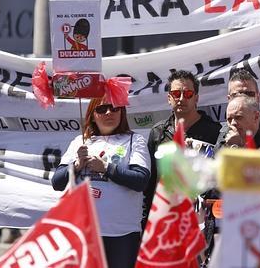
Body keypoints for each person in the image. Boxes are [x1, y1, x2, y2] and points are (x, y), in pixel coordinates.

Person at [52, 97, 151, 268]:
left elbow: (141, 181)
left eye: (114, 108)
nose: (108, 113)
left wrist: (106, 168)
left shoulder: (135, 140)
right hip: (84, 233)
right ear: (92, 115)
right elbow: (57, 182)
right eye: (101, 109)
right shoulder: (80, 142)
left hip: (122, 234)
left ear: (122, 112)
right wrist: (76, 165)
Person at [145, 70, 221, 227]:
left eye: (187, 94)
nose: (181, 98)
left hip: (199, 219)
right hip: (164, 216)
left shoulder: (215, 131)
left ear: (196, 98)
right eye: (175, 93)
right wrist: (146, 222)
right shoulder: (157, 132)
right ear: (169, 98)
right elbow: (150, 184)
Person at [217, 69, 260, 149]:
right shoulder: (225, 131)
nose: (244, 98)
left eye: (249, 94)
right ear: (229, 99)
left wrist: (238, 146)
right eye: (236, 95)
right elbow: (213, 160)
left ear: (258, 97)